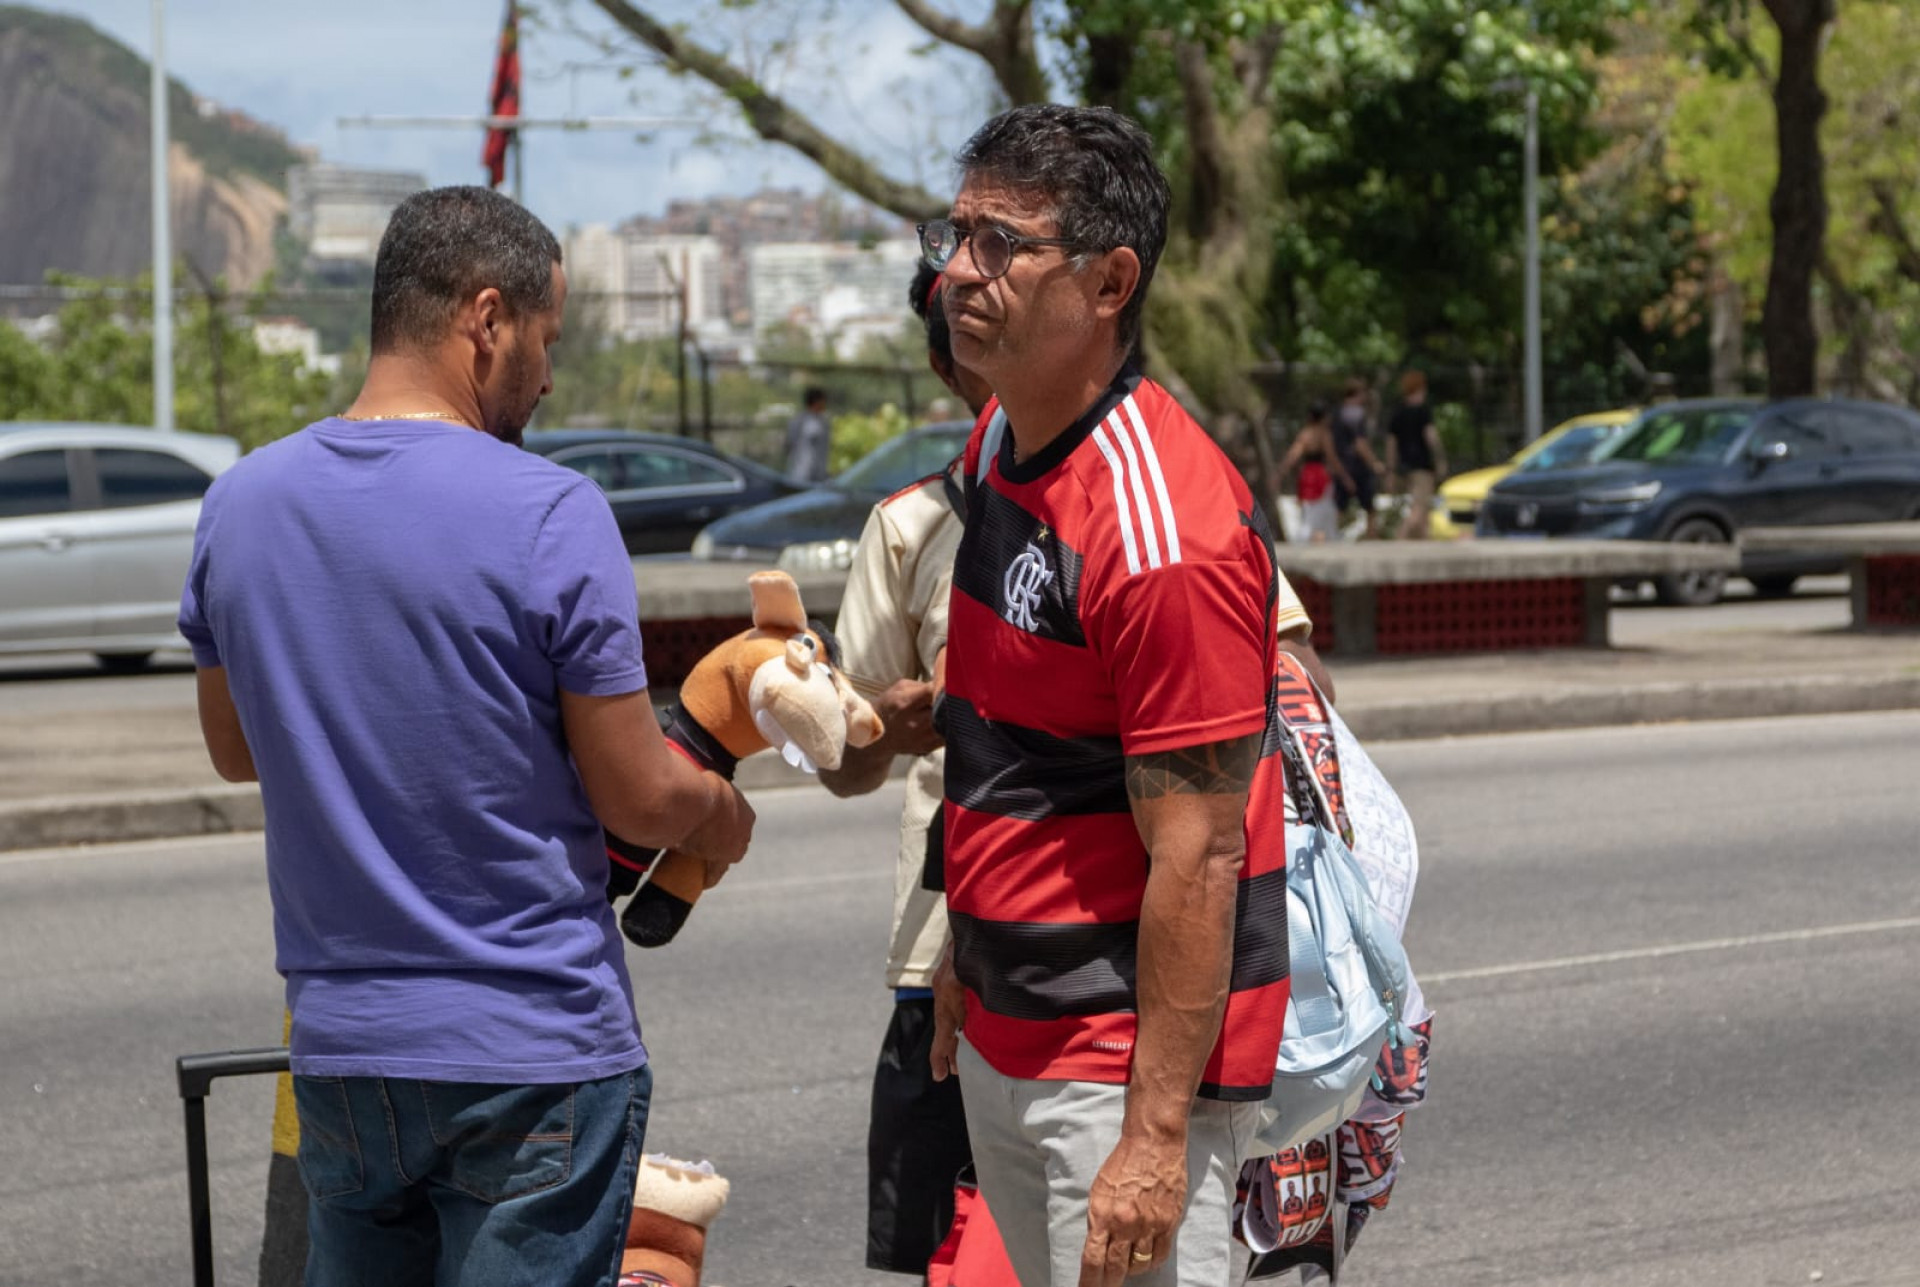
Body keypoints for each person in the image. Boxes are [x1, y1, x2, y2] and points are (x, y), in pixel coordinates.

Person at [178, 185, 755, 1287]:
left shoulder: (239, 505)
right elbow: (639, 796)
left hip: (344, 1056)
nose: (546, 376)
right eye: (545, 342)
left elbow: (237, 750)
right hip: (530, 1053)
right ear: (486, 319)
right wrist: (721, 813)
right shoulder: (551, 510)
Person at [922, 104, 1293, 1287]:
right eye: (957, 231)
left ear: (1110, 280)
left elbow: (1199, 856)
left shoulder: (1161, 530)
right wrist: (962, 963)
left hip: (1119, 1071)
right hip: (1007, 1029)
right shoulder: (999, 446)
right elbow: (1000, 745)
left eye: (1000, 244)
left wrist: (1154, 1139)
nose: (956, 272)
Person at [1276, 404, 1355, 545]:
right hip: (1320, 473)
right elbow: (1332, 458)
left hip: (1306, 474)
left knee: (1309, 510)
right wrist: (1345, 478)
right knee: (1326, 509)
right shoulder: (1324, 434)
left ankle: (1311, 536)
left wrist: (1280, 472)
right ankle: (1327, 537)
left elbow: (1293, 455)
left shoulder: (1305, 434)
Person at [1384, 370, 1447, 539]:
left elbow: (1391, 444)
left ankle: (1423, 546)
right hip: (1421, 466)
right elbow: (1431, 437)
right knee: (1418, 509)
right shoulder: (1423, 411)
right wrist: (1440, 459)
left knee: (1423, 513)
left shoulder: (1397, 413)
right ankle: (1400, 539)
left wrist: (1390, 469)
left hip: (1404, 466)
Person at [1332, 379, 1385, 539]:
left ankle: (1331, 535)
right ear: (1358, 394)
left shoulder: (1337, 414)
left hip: (1342, 466)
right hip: (1358, 467)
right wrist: (1374, 462)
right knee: (1369, 507)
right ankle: (1371, 537)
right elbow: (1360, 443)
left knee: (1340, 507)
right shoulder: (1357, 414)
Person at [786, 385, 832, 483]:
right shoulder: (814, 423)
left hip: (806, 475)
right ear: (818, 402)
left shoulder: (797, 420)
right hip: (805, 476)